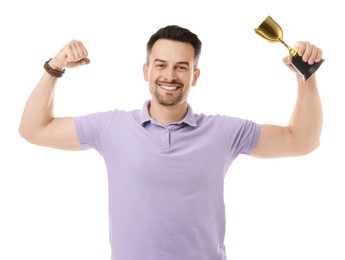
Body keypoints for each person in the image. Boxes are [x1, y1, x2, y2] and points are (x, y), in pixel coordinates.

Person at [18, 25, 323, 259]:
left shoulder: (224, 132)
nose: (170, 75)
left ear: (195, 76)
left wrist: (305, 76)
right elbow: (34, 129)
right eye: (161, 65)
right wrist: (54, 67)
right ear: (146, 71)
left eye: (181, 67)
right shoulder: (111, 126)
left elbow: (302, 141)